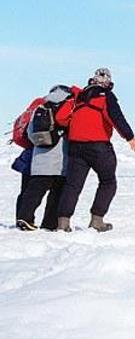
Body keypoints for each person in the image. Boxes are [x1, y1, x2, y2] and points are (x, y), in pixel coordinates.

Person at [55, 68, 135, 232]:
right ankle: (97, 221)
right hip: (98, 147)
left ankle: (63, 224)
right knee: (108, 182)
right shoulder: (105, 96)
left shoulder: (78, 96)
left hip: (75, 146)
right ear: (108, 82)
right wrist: (129, 137)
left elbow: (61, 118)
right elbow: (115, 117)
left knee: (72, 185)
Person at [16, 85, 73, 231]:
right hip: (60, 160)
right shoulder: (68, 108)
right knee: (57, 193)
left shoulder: (40, 108)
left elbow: (30, 132)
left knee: (34, 191)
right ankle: (50, 223)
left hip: (40, 160)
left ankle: (25, 217)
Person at [11, 148, 32, 224]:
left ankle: (21, 218)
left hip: (29, 158)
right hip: (31, 159)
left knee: (25, 191)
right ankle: (23, 219)